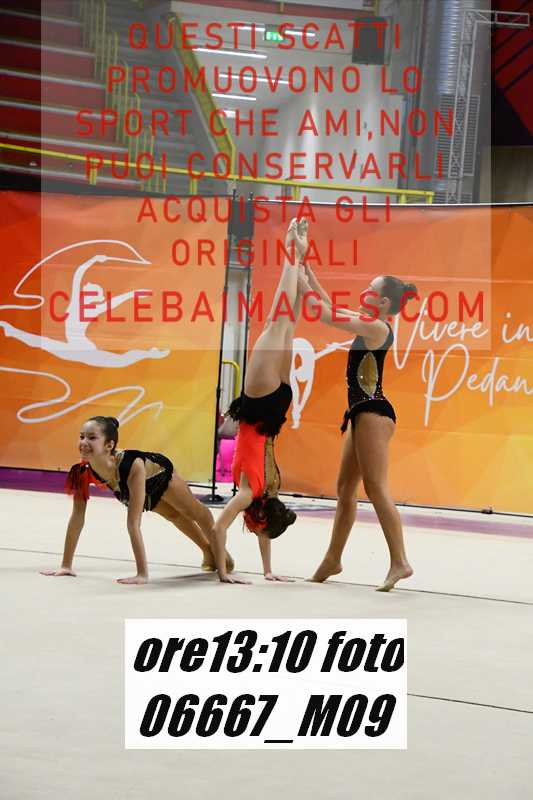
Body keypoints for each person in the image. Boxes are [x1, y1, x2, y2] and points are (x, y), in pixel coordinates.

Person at [302, 269, 415, 591]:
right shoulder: (369, 322)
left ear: (383, 301)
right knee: (345, 489)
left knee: (376, 487)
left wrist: (296, 274)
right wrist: (306, 269)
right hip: (360, 413)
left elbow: (323, 314)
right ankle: (332, 559)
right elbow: (327, 306)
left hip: (373, 412)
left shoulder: (377, 327)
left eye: (370, 289)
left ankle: (400, 562)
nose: (364, 292)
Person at [211, 218, 308, 584]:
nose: (251, 528)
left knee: (286, 322)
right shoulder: (250, 493)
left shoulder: (266, 491)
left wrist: (262, 572)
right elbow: (219, 528)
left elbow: (235, 529)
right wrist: (226, 574)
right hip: (261, 404)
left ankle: (297, 252)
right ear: (260, 516)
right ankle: (293, 251)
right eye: (257, 527)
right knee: (280, 321)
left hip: (276, 404)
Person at [40, 415, 233, 584]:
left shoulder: (132, 465)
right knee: (173, 516)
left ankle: (220, 552)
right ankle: (207, 551)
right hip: (131, 483)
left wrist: (142, 574)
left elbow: (133, 523)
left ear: (109, 445)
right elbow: (77, 518)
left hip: (158, 474)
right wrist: (66, 565)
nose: (84, 442)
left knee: (194, 511)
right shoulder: (81, 471)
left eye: (92, 438)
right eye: (81, 436)